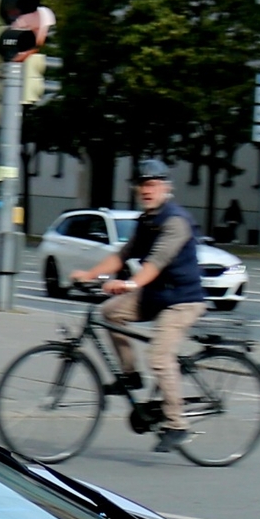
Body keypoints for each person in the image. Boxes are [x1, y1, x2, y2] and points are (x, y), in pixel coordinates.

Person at [71, 159, 209, 452]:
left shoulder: (175, 222)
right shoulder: (147, 221)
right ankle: (130, 376)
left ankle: (177, 424)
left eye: (153, 184)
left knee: (159, 356)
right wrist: (90, 274)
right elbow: (122, 255)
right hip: (156, 295)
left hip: (182, 300)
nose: (147, 190)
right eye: (142, 185)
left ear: (165, 188)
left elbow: (155, 263)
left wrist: (130, 284)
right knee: (110, 312)